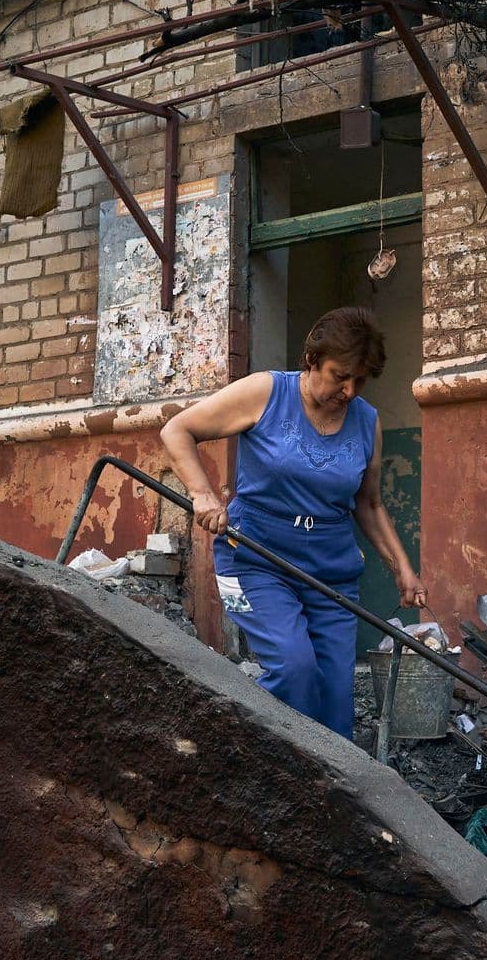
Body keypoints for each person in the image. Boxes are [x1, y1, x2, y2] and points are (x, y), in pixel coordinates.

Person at [160, 307, 426, 739]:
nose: (349, 390)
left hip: (331, 571)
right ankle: (240, 744)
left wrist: (402, 569)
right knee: (293, 670)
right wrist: (202, 493)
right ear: (312, 360)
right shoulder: (266, 392)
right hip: (254, 560)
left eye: (360, 381)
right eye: (340, 376)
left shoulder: (367, 422)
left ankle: (325, 781)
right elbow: (177, 431)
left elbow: (369, 503)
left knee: (336, 706)